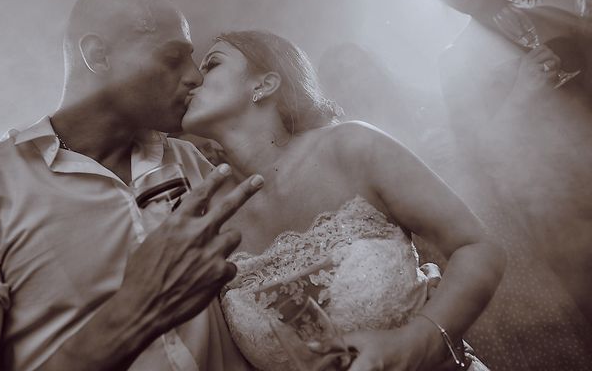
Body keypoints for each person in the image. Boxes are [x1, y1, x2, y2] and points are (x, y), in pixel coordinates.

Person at [0, 0, 264, 370]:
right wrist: (134, 309)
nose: (194, 76)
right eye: (173, 58)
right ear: (98, 55)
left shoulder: (193, 161)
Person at [180, 29, 505, 370]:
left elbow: (479, 247)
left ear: (264, 84)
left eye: (211, 64)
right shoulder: (209, 214)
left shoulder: (352, 146)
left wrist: (417, 341)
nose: (191, 80)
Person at [426, 0, 592, 369]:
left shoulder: (555, 15)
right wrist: (520, 98)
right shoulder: (455, 62)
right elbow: (476, 153)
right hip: (557, 202)